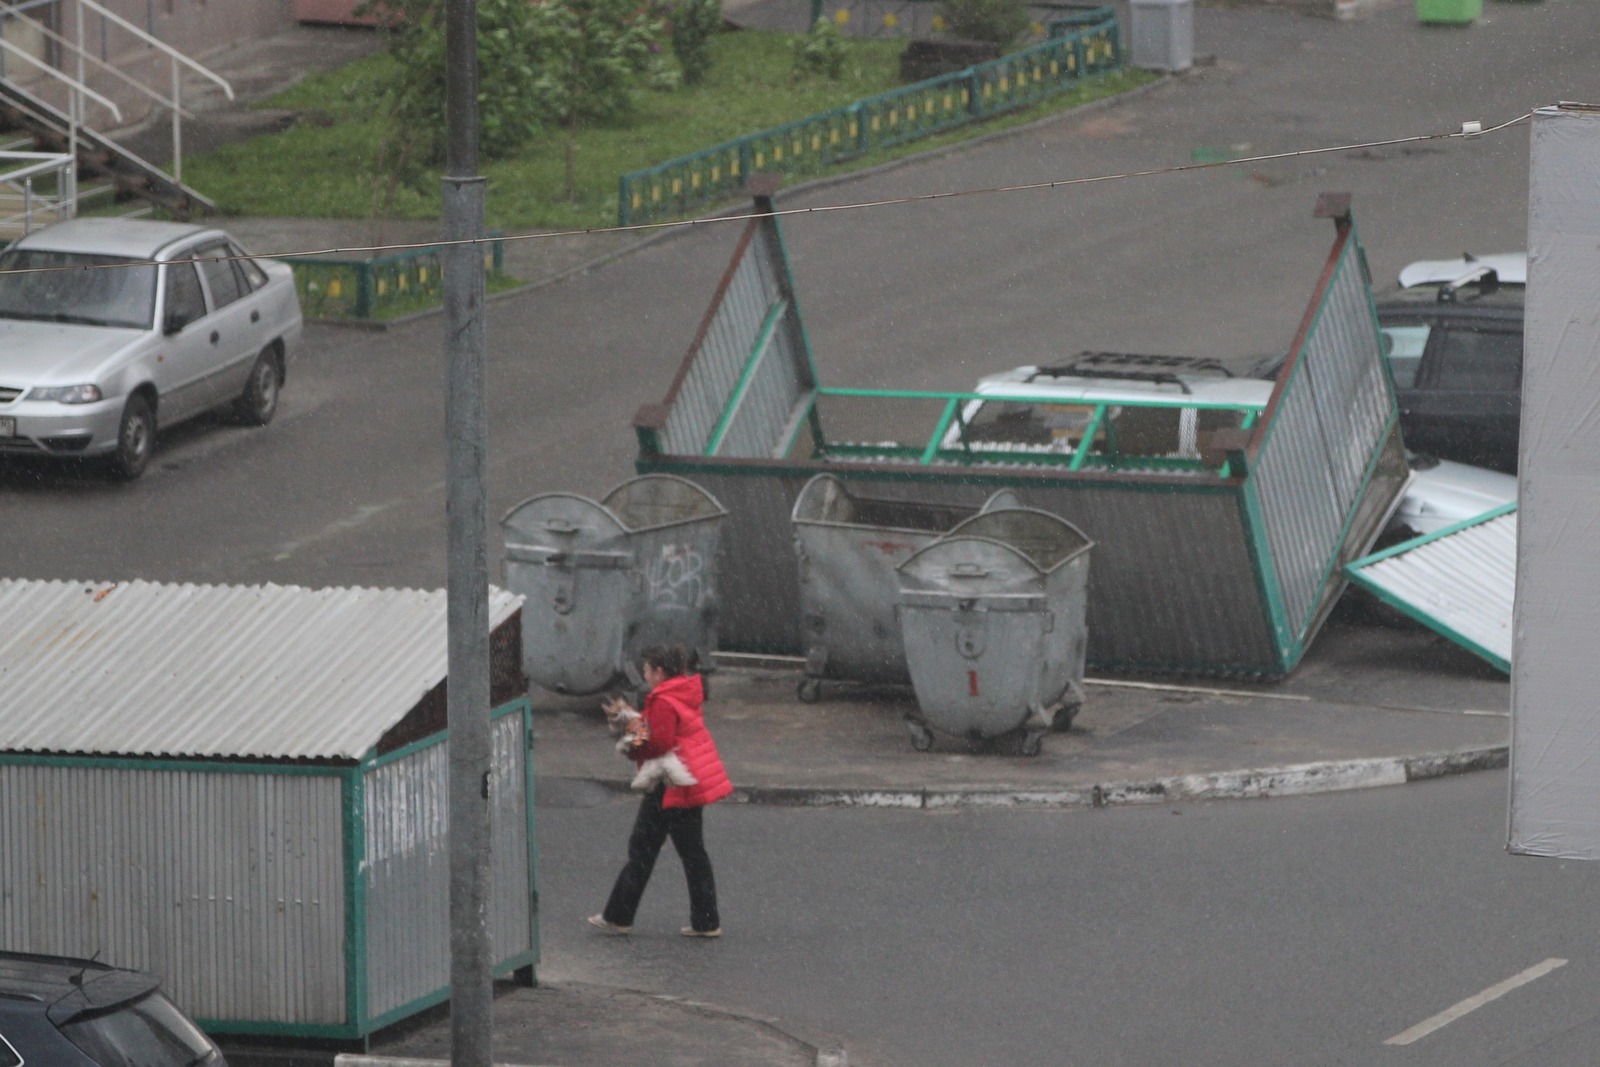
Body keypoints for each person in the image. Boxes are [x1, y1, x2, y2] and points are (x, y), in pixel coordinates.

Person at [589, 644, 732, 938]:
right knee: (693, 854)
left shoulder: (665, 700)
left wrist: (631, 743)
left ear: (660, 672)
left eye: (647, 669)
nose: (644, 675)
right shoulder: (684, 693)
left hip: (669, 786)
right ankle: (706, 921)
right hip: (686, 781)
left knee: (642, 850)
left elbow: (660, 742)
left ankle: (618, 915)